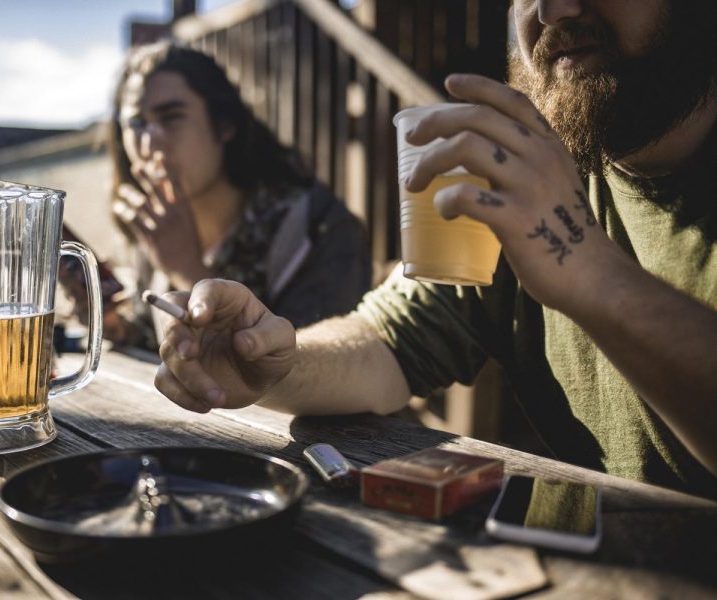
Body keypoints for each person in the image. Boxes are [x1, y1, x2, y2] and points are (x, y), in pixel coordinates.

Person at [152, 0, 717, 498]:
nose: (550, 9)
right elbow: (387, 342)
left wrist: (586, 268)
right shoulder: (522, 175)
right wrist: (270, 362)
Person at [61, 42, 372, 351]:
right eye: (136, 124)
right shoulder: (156, 225)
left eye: (171, 117)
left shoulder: (315, 228)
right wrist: (112, 322)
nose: (150, 143)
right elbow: (154, 336)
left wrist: (187, 269)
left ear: (224, 125)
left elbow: (309, 372)